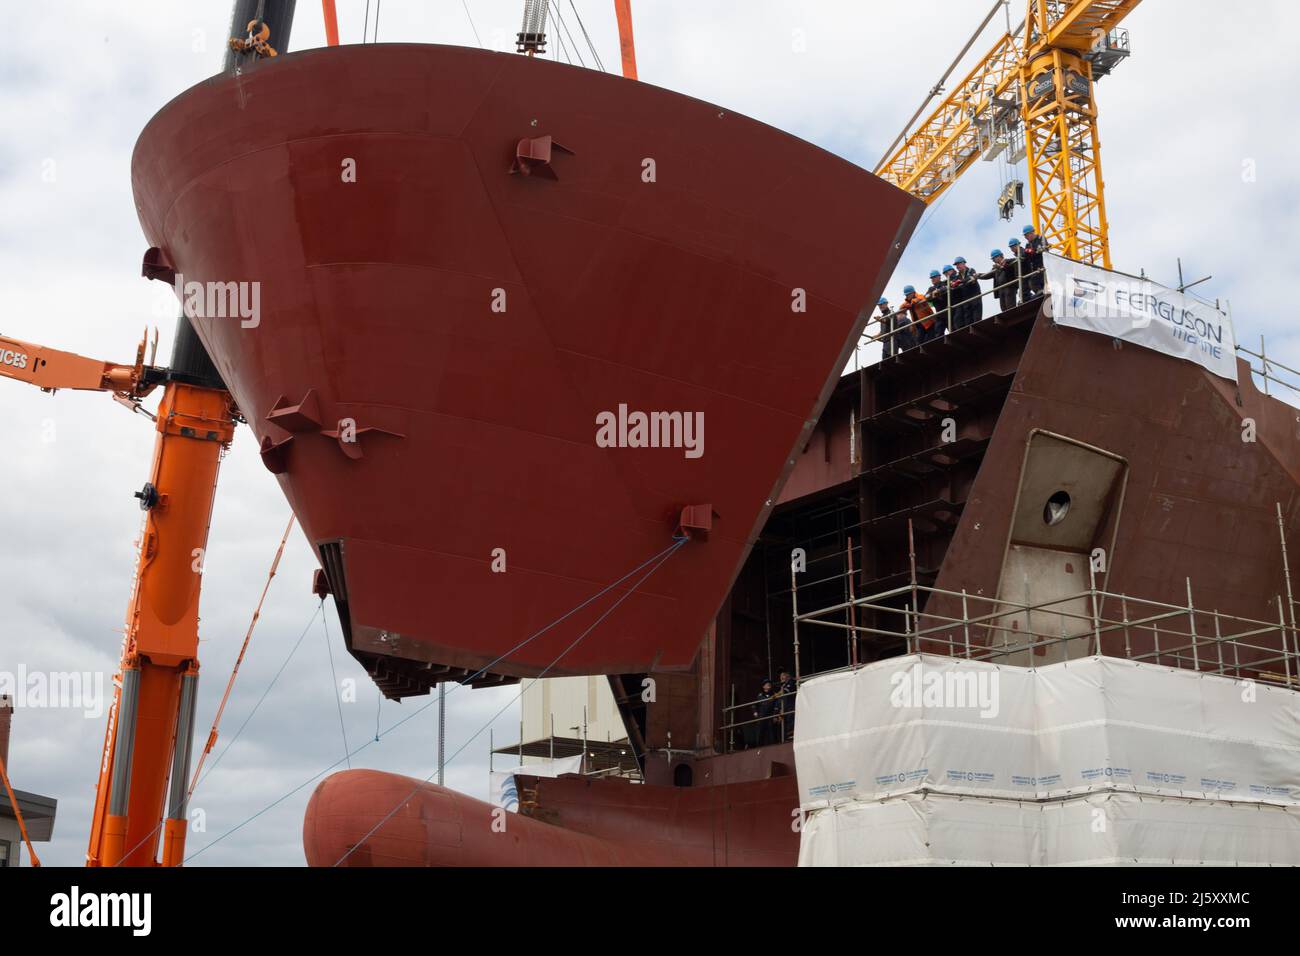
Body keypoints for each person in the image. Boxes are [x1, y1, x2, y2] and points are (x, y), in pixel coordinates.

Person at [979, 248, 1020, 312]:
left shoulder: (1009, 261)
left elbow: (1011, 269)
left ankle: (1012, 316)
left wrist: (1001, 267)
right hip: (1001, 289)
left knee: (1010, 307)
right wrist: (978, 275)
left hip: (1009, 287)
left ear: (1000, 256)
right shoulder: (995, 268)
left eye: (994, 258)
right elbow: (988, 275)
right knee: (1003, 308)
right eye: (992, 259)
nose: (993, 260)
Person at [951, 256, 982, 329]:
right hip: (965, 299)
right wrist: (953, 284)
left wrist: (960, 281)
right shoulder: (957, 275)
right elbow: (953, 283)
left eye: (958, 264)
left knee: (976, 317)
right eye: (956, 265)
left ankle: (978, 329)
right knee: (967, 318)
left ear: (963, 263)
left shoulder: (971, 270)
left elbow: (971, 278)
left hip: (975, 296)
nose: (957, 266)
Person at [1021, 225, 1048, 298]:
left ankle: (1043, 293)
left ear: (1031, 233)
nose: (1025, 237)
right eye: (1025, 236)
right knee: (1034, 282)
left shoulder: (1041, 239)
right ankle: (1041, 294)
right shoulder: (1028, 244)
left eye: (1026, 235)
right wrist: (1028, 252)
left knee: (1034, 282)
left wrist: (1032, 251)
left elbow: (1042, 249)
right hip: (1035, 267)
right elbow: (1026, 256)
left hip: (1043, 265)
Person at [926, 269, 952, 337]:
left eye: (934, 277)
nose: (933, 279)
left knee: (952, 328)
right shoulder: (931, 288)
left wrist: (938, 291)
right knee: (938, 332)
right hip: (939, 313)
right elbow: (926, 297)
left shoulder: (944, 283)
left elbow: (947, 288)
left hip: (947, 310)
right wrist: (933, 294)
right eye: (932, 278)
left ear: (939, 277)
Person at [752, 679, 778, 746]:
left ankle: (773, 745)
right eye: (766, 684)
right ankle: (759, 746)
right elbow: (754, 705)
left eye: (769, 684)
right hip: (762, 716)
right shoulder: (759, 695)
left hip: (770, 715)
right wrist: (755, 712)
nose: (768, 685)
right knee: (760, 732)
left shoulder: (774, 694)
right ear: (763, 686)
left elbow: (776, 705)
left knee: (771, 732)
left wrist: (775, 715)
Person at [777, 669, 797, 742]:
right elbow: (780, 698)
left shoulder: (791, 682)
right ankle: (785, 738)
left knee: (791, 721)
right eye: (780, 676)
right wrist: (779, 709)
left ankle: (791, 737)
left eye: (783, 675)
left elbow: (786, 691)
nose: (781, 677)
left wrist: (778, 693)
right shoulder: (783, 685)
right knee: (784, 723)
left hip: (791, 706)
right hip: (785, 707)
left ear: (788, 676)